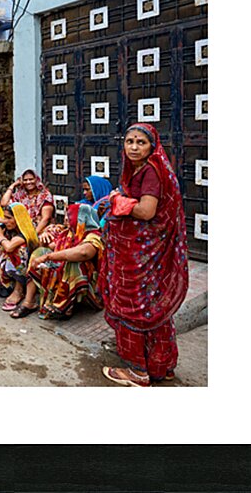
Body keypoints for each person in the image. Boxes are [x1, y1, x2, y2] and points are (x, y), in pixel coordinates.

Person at [100, 123, 189, 387]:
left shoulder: (150, 171)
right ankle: (161, 367)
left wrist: (118, 202)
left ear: (152, 146)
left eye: (141, 142)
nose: (135, 147)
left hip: (142, 257)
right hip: (142, 254)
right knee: (154, 308)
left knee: (134, 307)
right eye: (130, 142)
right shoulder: (142, 169)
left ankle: (138, 372)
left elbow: (147, 212)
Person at [21, 203, 105, 320]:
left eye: (70, 215)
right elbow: (52, 246)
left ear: (81, 218)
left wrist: (48, 257)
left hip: (89, 278)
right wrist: (43, 238)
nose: (66, 218)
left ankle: (65, 306)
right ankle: (29, 301)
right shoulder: (67, 233)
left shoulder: (94, 236)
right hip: (63, 269)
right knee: (39, 252)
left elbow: (83, 253)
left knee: (74, 263)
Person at [0, 203, 35, 308]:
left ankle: (18, 290)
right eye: (4, 217)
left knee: (18, 250)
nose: (5, 221)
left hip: (24, 272)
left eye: (9, 218)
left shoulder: (25, 232)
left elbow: (9, 247)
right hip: (7, 270)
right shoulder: (6, 227)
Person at [0, 169, 55, 235]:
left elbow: (46, 218)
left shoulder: (45, 195)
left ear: (36, 180)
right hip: (22, 229)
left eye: (31, 179)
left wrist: (33, 235)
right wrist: (13, 185)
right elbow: (4, 203)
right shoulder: (21, 194)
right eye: (25, 180)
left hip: (40, 230)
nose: (28, 182)